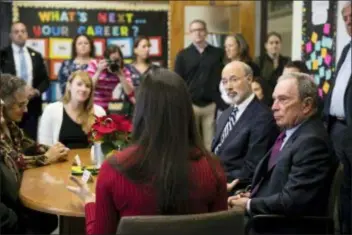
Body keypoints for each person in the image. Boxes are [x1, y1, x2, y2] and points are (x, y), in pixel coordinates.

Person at [67, 68, 228, 235]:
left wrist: (90, 204)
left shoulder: (114, 170)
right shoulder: (213, 168)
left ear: (141, 111)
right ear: (186, 110)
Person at [228, 72, 337, 233]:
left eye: (283, 99)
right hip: (265, 218)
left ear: (306, 105)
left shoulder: (312, 143)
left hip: (280, 227)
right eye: (274, 99)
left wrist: (250, 204)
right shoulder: (291, 132)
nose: (274, 106)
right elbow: (277, 183)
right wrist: (250, 194)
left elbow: (292, 202)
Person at [0, 74, 69, 234]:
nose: (25, 110)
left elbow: (30, 145)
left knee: (49, 219)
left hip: (17, 199)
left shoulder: (11, 127)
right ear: (4, 106)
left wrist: (53, 150)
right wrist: (47, 158)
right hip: (10, 210)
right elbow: (14, 162)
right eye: (21, 105)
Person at [212, 61, 278, 188]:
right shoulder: (225, 114)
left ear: (249, 79)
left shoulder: (263, 117)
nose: (228, 87)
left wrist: (216, 180)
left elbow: (253, 167)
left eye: (233, 80)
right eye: (224, 82)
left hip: (233, 186)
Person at [174, 19, 224, 150]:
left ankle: (209, 169)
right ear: (190, 33)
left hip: (211, 105)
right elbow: (178, 80)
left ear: (206, 32)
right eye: (194, 30)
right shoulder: (183, 55)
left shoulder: (217, 53)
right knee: (192, 143)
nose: (198, 33)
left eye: (201, 30)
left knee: (210, 145)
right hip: (191, 105)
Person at [323, 3, 351, 234]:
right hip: (336, 128)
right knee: (339, 187)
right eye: (345, 18)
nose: (349, 21)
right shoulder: (346, 49)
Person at [0, 21, 50, 140]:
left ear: (27, 35)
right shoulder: (3, 55)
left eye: (23, 31)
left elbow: (45, 80)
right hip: (9, 108)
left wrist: (37, 91)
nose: (20, 34)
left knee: (30, 141)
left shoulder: (36, 55)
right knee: (10, 141)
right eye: (16, 32)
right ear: (11, 36)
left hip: (31, 107)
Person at [38, 71, 106, 148]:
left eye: (88, 86)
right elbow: (44, 145)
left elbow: (102, 146)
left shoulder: (99, 112)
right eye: (79, 84)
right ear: (69, 86)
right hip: (59, 159)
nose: (83, 89)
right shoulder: (51, 110)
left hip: (88, 159)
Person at [87, 45, 134, 114]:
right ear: (105, 59)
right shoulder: (95, 64)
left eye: (117, 60)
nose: (114, 63)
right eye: (111, 60)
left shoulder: (123, 70)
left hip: (108, 108)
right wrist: (98, 71)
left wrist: (121, 76)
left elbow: (129, 92)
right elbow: (89, 87)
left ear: (121, 59)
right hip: (91, 106)